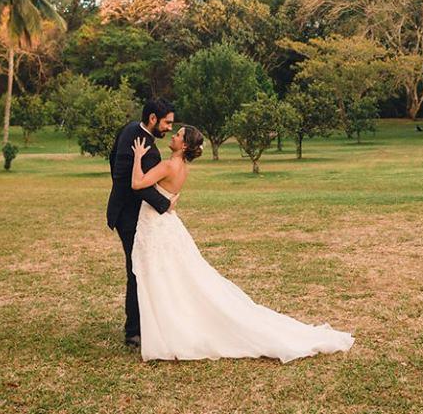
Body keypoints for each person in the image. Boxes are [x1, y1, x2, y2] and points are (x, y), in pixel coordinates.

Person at [129, 124, 355, 362]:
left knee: (161, 276)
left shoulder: (167, 165)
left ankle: (170, 330)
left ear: (184, 145)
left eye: (177, 135)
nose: (173, 136)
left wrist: (137, 158)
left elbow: (137, 183)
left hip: (157, 226)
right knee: (173, 277)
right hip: (165, 226)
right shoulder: (181, 168)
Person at [106, 99, 177, 348]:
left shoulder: (128, 130)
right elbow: (136, 185)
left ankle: (144, 323)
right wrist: (164, 203)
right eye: (167, 122)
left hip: (125, 211)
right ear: (153, 119)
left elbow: (112, 160)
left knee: (141, 267)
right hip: (129, 216)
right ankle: (134, 331)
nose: (169, 127)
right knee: (136, 270)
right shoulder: (146, 146)